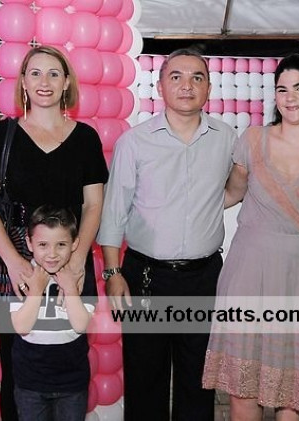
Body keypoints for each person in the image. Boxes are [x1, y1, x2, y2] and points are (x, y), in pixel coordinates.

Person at [203, 54, 299, 421]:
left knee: (295, 393)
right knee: (243, 387)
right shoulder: (253, 140)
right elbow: (231, 193)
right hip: (251, 272)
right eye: (282, 89)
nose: (290, 97)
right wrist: (179, 209)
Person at [96, 48, 238, 420]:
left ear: (209, 88)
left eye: (197, 77)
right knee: (145, 381)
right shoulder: (135, 142)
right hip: (146, 278)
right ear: (160, 87)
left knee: (198, 382)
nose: (186, 86)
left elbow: (234, 190)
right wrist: (112, 273)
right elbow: (114, 212)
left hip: (203, 278)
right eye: (176, 77)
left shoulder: (227, 139)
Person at [0, 45, 109, 420]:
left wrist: (78, 258)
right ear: (23, 83)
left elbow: (93, 205)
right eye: (35, 73)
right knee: (17, 373)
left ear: (66, 83)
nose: (44, 81)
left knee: (70, 366)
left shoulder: (86, 138)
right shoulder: (1, 135)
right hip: (14, 265)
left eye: (53, 73)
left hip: (71, 262)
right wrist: (13, 261)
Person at [10, 205, 93, 421]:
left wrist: (71, 288)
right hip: (30, 384)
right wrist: (36, 291)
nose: (52, 254)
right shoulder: (23, 275)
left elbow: (80, 325)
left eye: (61, 245)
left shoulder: (80, 276)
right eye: (43, 245)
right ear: (30, 243)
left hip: (72, 384)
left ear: (75, 243)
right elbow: (21, 327)